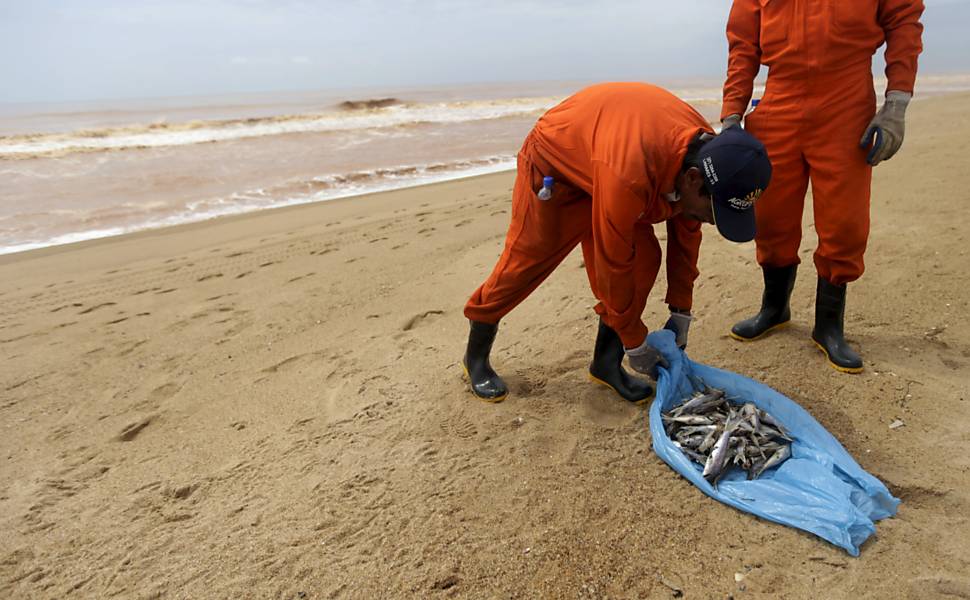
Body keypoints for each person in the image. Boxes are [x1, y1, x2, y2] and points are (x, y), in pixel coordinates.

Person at [461, 82, 772, 403]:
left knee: (643, 260)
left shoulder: (710, 157)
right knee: (527, 260)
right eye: (713, 212)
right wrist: (634, 341)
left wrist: (681, 309)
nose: (712, 221)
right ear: (692, 179)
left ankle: (605, 364)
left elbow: (687, 234)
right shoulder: (633, 173)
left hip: (609, 157)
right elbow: (613, 259)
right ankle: (476, 352)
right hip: (557, 164)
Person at [721, 0, 924, 373]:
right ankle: (774, 308)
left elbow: (904, 21)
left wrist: (896, 103)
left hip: (846, 99)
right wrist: (732, 114)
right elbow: (743, 45)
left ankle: (828, 325)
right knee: (770, 216)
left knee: (845, 221)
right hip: (778, 99)